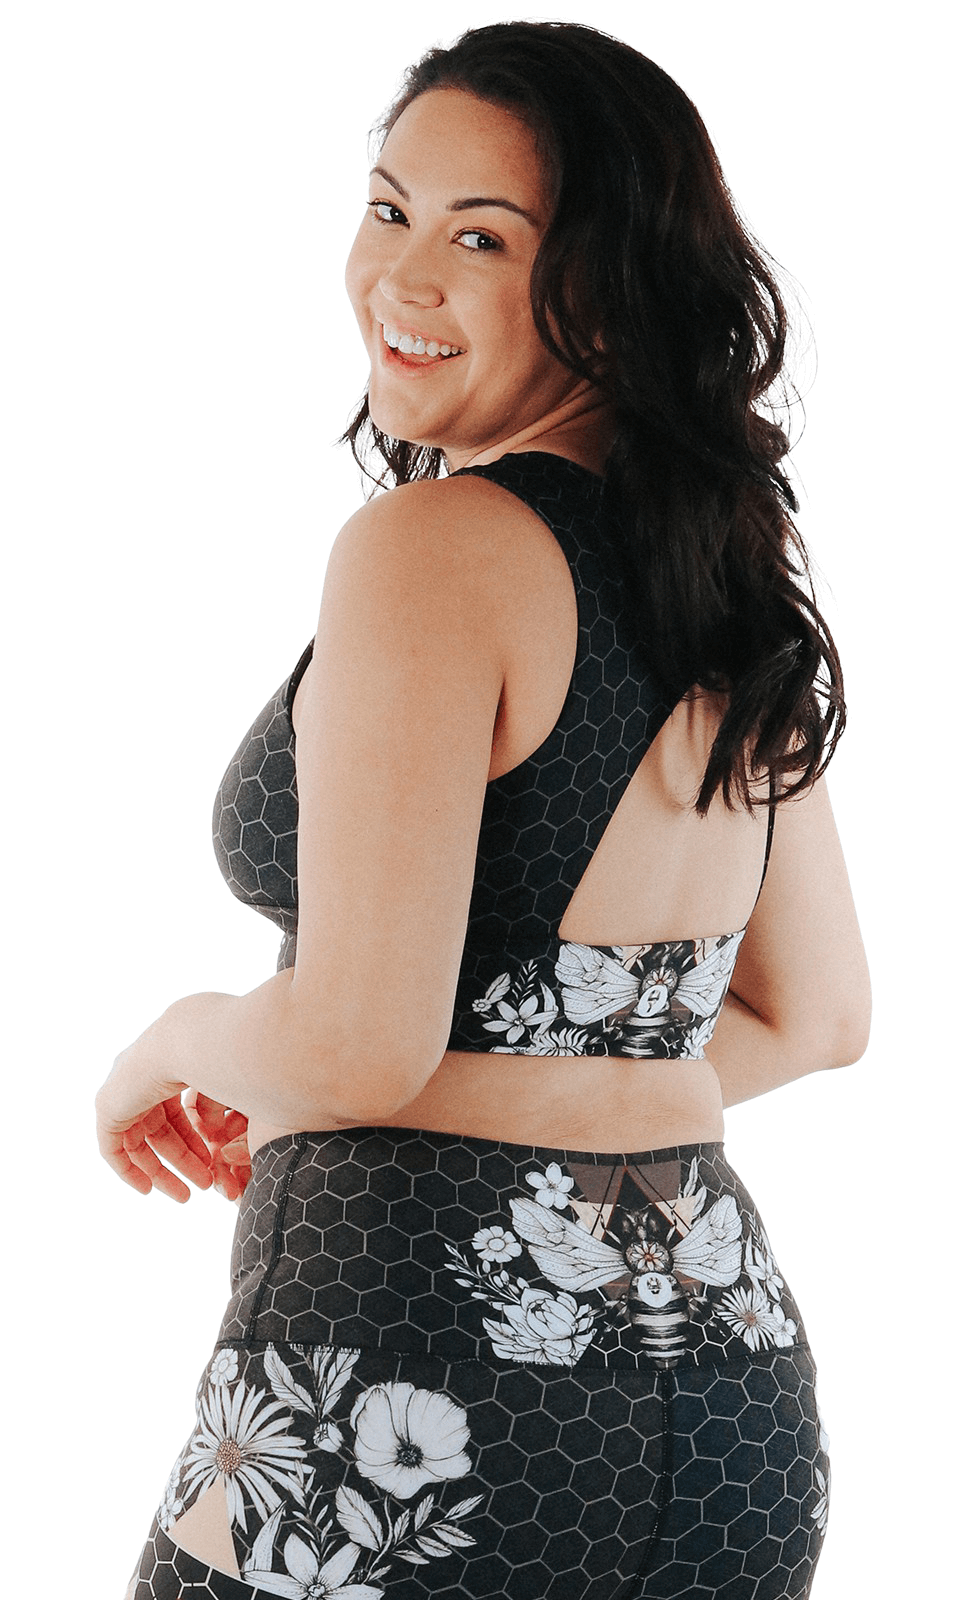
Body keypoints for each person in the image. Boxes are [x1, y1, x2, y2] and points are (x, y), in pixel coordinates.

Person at [99, 20, 870, 1599]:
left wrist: (180, 1041)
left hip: (418, 1398)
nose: (400, 275)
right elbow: (814, 1016)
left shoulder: (433, 550)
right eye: (389, 210)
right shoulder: (722, 569)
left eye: (481, 238)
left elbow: (357, 1048)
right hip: (732, 1416)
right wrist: (504, 1088)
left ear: (610, 283)